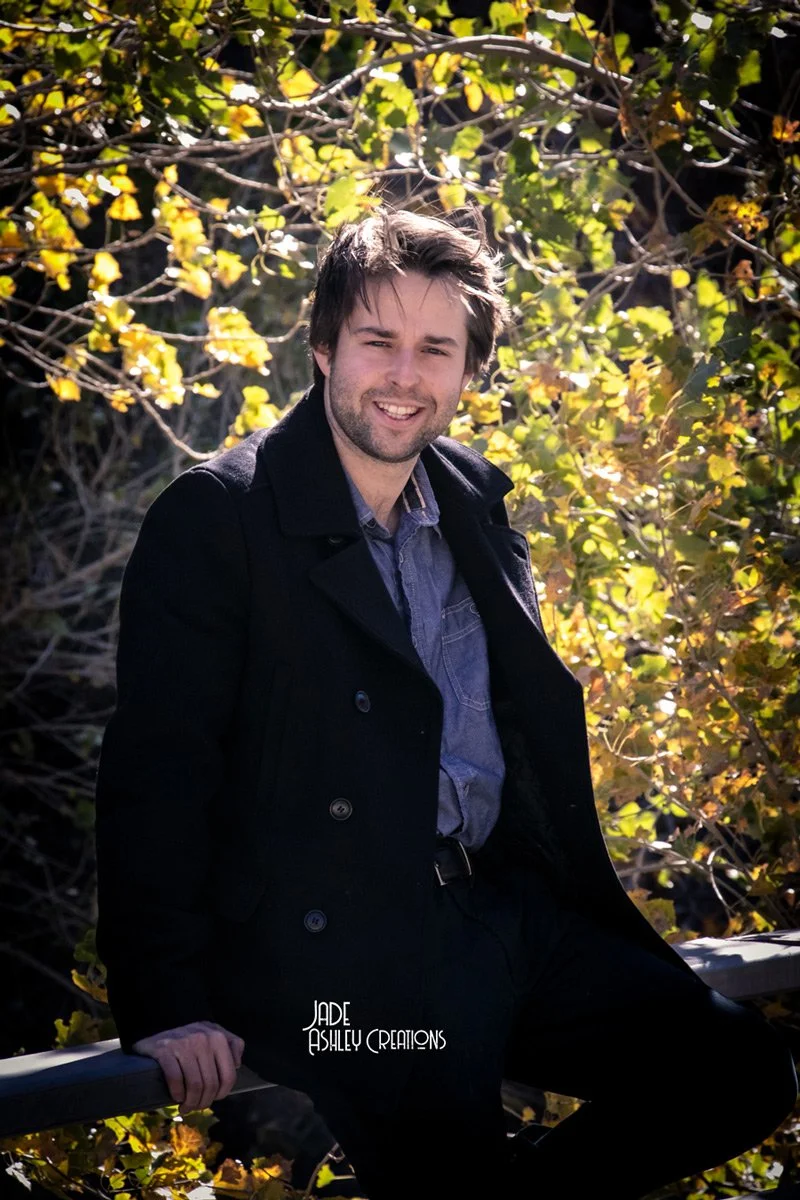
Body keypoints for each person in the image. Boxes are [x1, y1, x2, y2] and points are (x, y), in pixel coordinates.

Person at [95, 208, 797, 1200]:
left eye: (436, 348)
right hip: (344, 962)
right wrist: (166, 999)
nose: (403, 374)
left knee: (735, 1073)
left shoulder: (470, 497)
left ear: (468, 369)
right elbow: (158, 772)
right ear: (324, 345)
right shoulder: (220, 521)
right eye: (378, 341)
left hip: (497, 913)